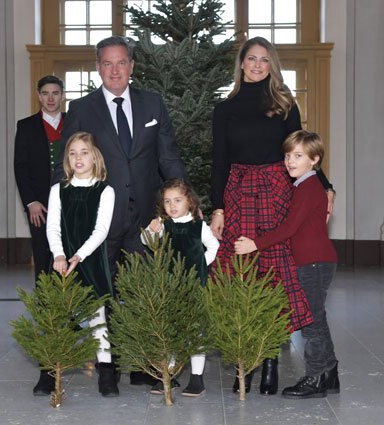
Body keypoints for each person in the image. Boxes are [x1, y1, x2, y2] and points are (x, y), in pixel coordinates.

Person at [54, 35, 187, 388]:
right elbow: (67, 162)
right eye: (107, 63)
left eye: (121, 62)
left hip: (144, 219)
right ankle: (107, 366)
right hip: (99, 221)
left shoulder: (152, 105)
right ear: (98, 68)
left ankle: (144, 363)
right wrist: (65, 217)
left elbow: (168, 157)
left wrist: (183, 204)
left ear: (132, 66)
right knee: (102, 293)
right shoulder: (82, 108)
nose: (115, 70)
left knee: (143, 290)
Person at [209, 36, 335, 395]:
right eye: (252, 58)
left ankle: (270, 363)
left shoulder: (283, 103)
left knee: (276, 279)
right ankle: (244, 360)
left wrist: (325, 184)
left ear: (272, 64)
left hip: (277, 191)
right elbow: (218, 162)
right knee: (240, 276)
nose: (258, 64)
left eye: (265, 59)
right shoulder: (225, 108)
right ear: (242, 63)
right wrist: (218, 208)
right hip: (238, 193)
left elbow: (301, 148)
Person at [235, 130, 339, 399]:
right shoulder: (303, 185)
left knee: (311, 322)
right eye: (287, 156)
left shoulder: (308, 187)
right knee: (317, 317)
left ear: (314, 159)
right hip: (316, 261)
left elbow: (289, 228)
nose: (290, 161)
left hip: (313, 263)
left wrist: (255, 244)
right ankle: (329, 372)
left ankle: (314, 378)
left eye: (298, 156)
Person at [46, 132, 118, 396]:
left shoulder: (105, 190)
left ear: (95, 156)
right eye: (73, 153)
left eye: (84, 152)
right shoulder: (58, 190)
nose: (78, 158)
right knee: (59, 317)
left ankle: (107, 373)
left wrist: (80, 255)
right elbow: (52, 226)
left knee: (97, 317)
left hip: (90, 260)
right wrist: (59, 255)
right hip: (62, 261)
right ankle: (49, 371)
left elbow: (101, 230)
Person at [141, 178, 219, 397]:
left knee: (196, 331)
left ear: (190, 202)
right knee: (171, 330)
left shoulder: (198, 226)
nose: (172, 205)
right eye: (167, 201)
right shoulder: (164, 225)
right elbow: (146, 241)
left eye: (177, 200)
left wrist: (202, 264)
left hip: (194, 285)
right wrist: (151, 228)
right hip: (169, 286)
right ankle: (171, 374)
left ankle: (197, 379)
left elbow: (214, 245)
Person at [13, 75, 66, 396]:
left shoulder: (75, 122)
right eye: (45, 94)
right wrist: (32, 201)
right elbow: (20, 167)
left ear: (62, 95)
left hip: (73, 209)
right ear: (38, 96)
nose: (50, 99)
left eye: (55, 93)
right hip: (41, 209)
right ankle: (48, 323)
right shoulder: (27, 126)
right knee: (45, 268)